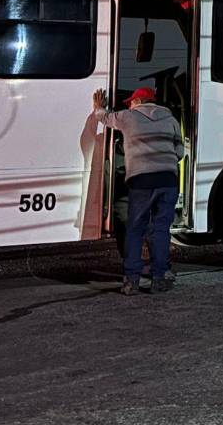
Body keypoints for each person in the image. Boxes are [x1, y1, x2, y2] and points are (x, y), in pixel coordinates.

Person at [93, 87, 185, 295]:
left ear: (139, 101)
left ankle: (132, 281)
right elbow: (179, 152)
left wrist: (99, 107)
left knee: (135, 229)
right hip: (168, 180)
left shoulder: (128, 117)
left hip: (141, 180)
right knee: (161, 230)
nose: (129, 104)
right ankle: (159, 278)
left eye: (131, 102)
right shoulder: (170, 119)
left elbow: (105, 118)